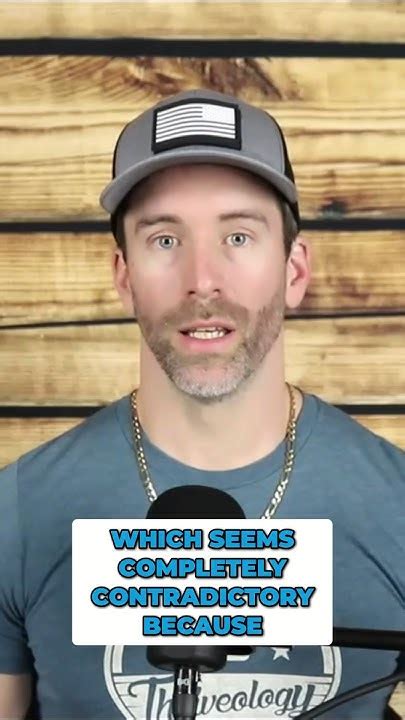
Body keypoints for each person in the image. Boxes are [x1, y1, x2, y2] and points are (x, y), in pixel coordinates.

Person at [0, 88, 404, 720]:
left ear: (294, 271)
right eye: (164, 240)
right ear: (124, 275)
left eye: (238, 235)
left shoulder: (396, 503)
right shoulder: (17, 513)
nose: (203, 280)